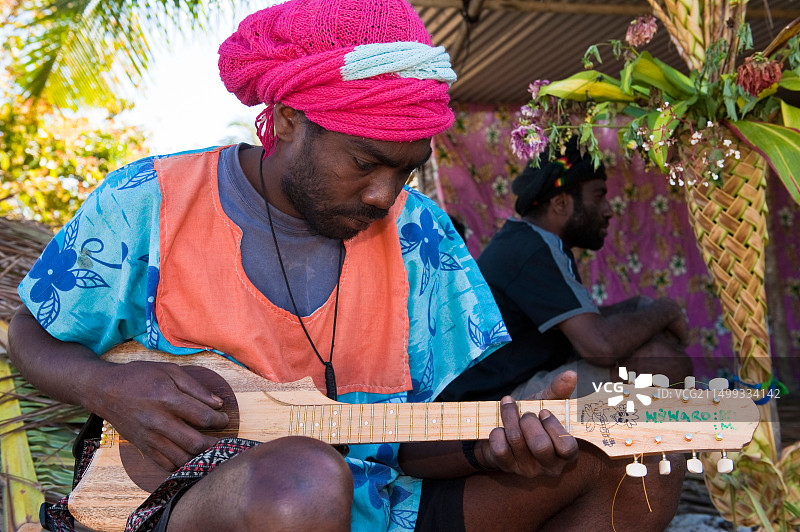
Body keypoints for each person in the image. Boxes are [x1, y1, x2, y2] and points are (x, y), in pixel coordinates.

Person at [8, 2, 685, 531]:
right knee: (304, 483)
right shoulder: (149, 202)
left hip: (379, 507)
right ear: (287, 121)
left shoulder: (420, 236)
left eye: (405, 170)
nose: (384, 195)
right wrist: (105, 388)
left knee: (640, 453)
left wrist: (492, 447)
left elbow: (412, 439)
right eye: (365, 164)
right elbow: (31, 336)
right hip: (186, 506)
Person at [441, 140, 694, 403]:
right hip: (495, 400)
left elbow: (582, 324)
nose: (608, 210)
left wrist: (639, 307)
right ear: (560, 204)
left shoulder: (528, 241)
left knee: (651, 342)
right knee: (661, 363)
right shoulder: (533, 248)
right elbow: (600, 347)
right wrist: (665, 310)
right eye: (598, 196)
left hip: (511, 385)